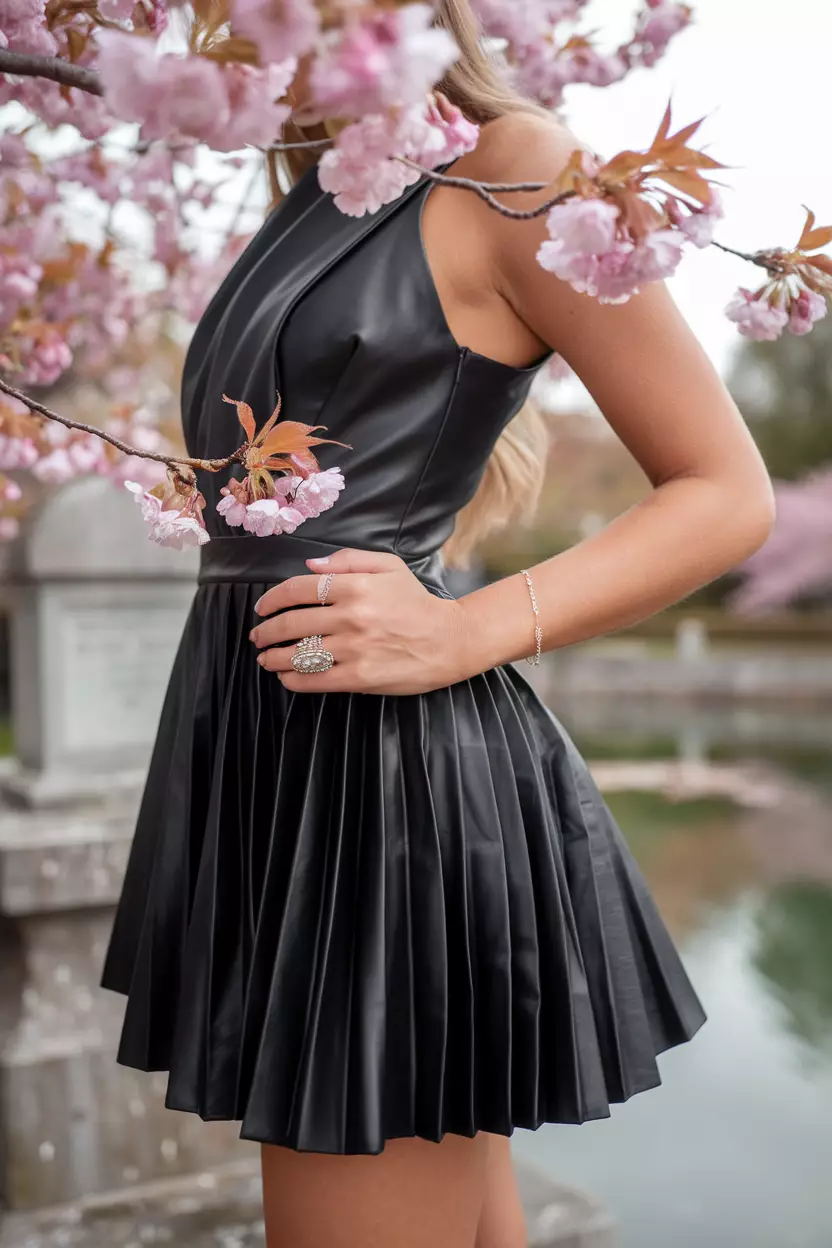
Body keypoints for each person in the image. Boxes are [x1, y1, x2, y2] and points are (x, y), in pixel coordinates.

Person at [101, 3, 775, 1245]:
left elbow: (727, 493)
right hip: (278, 751)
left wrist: (468, 631)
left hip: (379, 785)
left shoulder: (511, 164)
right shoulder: (323, 190)